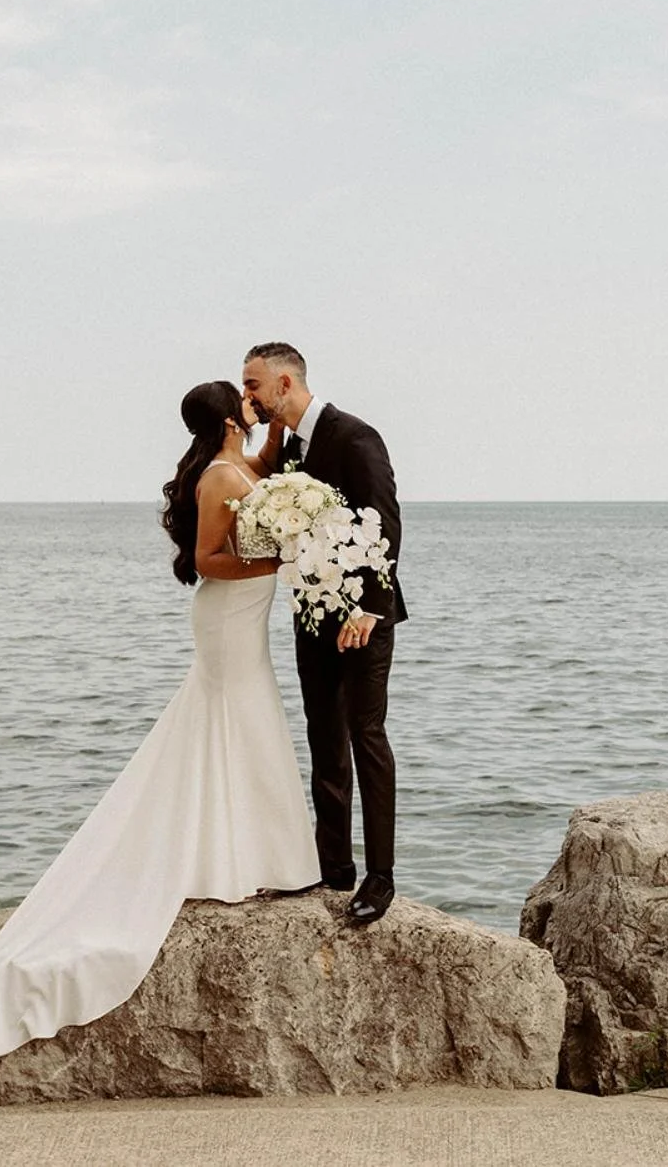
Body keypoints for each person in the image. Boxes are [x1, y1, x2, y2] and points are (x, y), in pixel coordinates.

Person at [0, 380, 318, 1070]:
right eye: (244, 397)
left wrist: (280, 431)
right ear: (229, 417)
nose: (252, 400)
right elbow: (209, 558)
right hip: (228, 616)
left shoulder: (238, 464)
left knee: (241, 724)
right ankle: (254, 855)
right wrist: (282, 560)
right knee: (236, 718)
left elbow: (266, 469)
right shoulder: (216, 478)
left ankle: (248, 855)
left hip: (243, 616)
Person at [241, 341, 406, 926]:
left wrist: (368, 610)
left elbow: (386, 524)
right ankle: (332, 864)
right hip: (312, 613)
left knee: (366, 737)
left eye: (254, 385)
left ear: (285, 384)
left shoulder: (356, 437)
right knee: (323, 741)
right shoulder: (288, 447)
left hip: (363, 617)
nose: (249, 397)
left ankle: (379, 878)